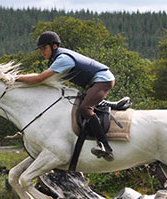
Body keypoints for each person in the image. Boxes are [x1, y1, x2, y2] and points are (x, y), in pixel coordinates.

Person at [16, 31, 115, 161]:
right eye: (41, 49)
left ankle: (105, 146)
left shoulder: (63, 59)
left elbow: (39, 79)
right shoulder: (57, 59)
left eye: (44, 48)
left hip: (103, 80)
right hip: (94, 82)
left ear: (54, 46)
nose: (42, 52)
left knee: (85, 108)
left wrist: (16, 78)